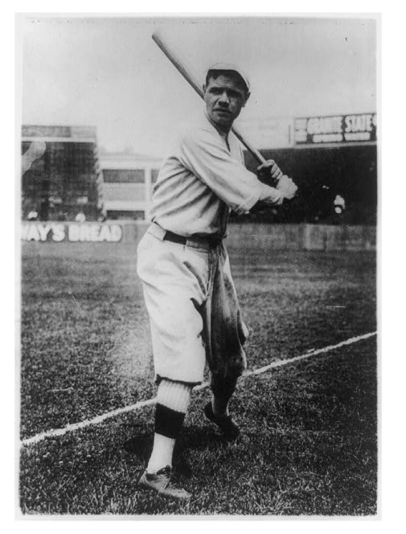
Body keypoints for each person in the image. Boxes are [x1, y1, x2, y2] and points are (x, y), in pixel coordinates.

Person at [135, 64, 296, 499]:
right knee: (182, 359)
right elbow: (243, 194)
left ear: (244, 101)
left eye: (233, 95)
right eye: (216, 91)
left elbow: (235, 187)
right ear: (204, 94)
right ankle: (157, 469)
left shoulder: (230, 147)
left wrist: (259, 181)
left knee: (232, 358)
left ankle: (216, 411)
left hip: (210, 255)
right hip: (169, 252)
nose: (223, 100)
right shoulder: (196, 135)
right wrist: (280, 192)